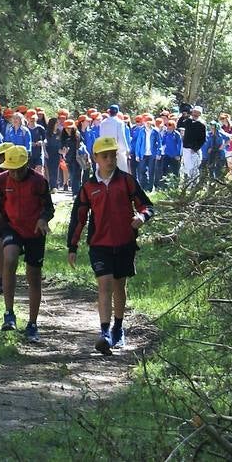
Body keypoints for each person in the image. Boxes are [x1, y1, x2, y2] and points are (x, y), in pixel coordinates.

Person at [67, 136, 153, 354]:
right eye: (105, 156)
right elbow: (79, 218)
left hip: (125, 242)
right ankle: (104, 332)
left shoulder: (127, 181)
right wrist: (72, 246)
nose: (110, 159)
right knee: (104, 284)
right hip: (99, 244)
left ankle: (118, 327)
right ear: (95, 158)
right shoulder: (88, 186)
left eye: (113, 155)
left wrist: (142, 218)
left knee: (119, 286)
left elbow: (146, 206)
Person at [0, 145, 54, 343]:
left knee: (33, 275)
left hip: (36, 231)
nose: (15, 173)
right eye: (11, 169)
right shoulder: (1, 181)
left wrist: (43, 219)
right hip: (13, 228)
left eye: (19, 169)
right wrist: (1, 231)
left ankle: (32, 324)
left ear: (26, 164)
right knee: (9, 260)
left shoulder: (39, 181)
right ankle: (9, 314)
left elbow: (49, 207)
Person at [178, 105, 207, 181]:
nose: (195, 114)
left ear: (200, 114)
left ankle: (193, 185)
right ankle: (186, 183)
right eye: (194, 112)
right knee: (186, 168)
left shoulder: (202, 125)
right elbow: (179, 125)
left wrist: (195, 148)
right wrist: (183, 116)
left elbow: (203, 139)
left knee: (194, 169)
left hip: (194, 150)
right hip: (186, 148)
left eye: (197, 113)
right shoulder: (187, 121)